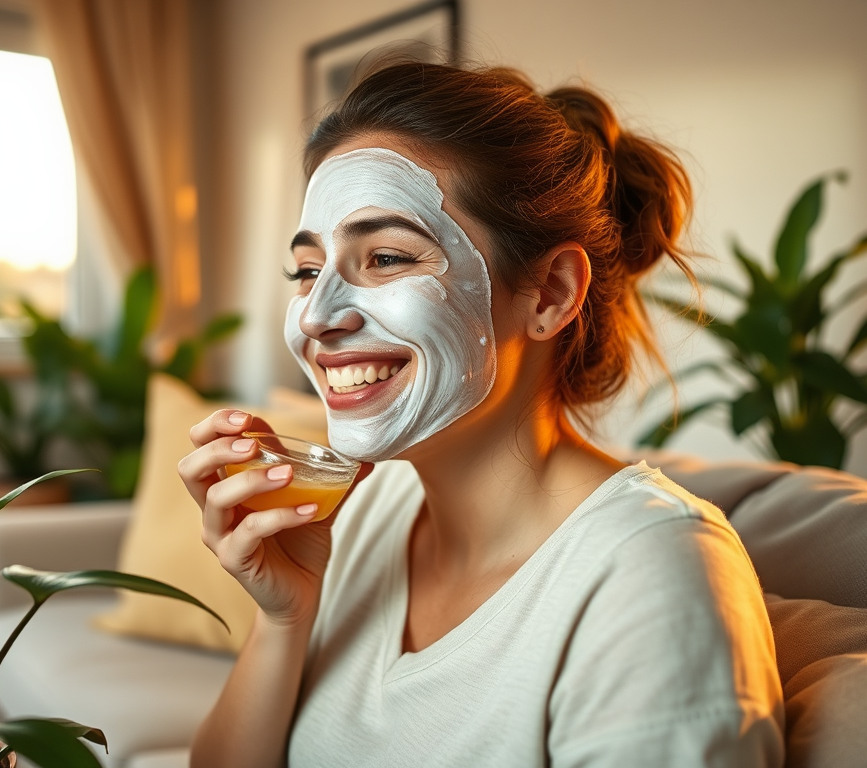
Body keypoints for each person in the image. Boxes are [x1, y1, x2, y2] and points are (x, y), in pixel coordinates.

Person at [179, 61, 785, 767]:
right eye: (309, 271)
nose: (315, 317)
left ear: (550, 294)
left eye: (385, 257)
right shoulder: (371, 507)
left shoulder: (653, 575)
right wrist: (286, 617)